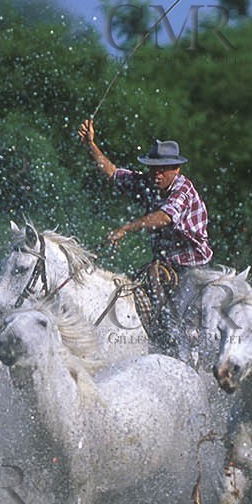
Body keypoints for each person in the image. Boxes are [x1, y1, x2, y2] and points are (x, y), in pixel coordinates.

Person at [77, 119, 212, 348]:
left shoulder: (182, 189)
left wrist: (125, 228)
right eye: (152, 169)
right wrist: (90, 144)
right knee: (133, 306)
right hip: (164, 266)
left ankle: (187, 364)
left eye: (162, 170)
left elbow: (164, 217)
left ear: (176, 169)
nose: (156, 175)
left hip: (193, 269)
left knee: (174, 320)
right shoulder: (149, 183)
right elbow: (112, 173)